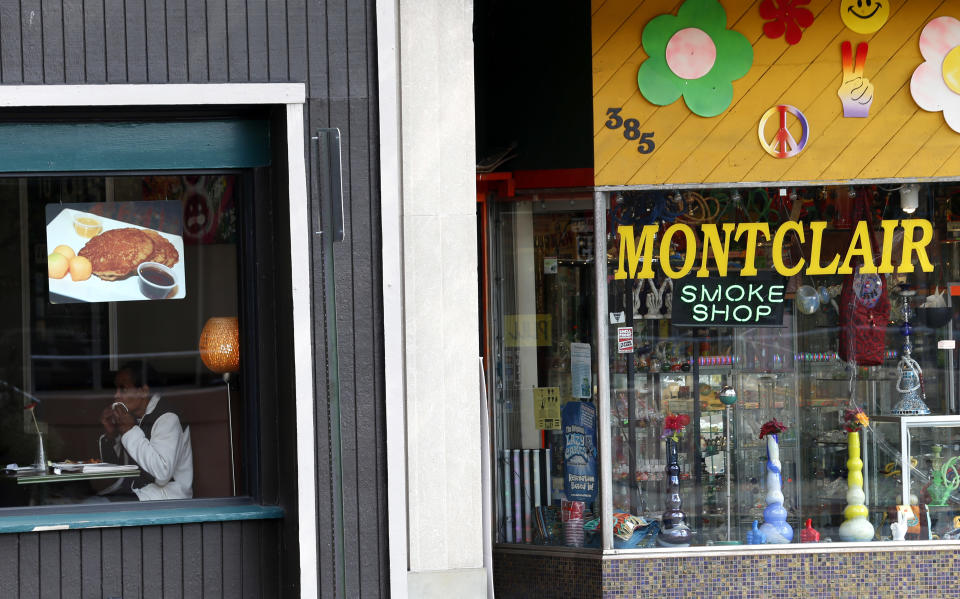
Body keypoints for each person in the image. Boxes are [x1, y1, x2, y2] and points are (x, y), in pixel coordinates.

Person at [98, 362, 193, 501]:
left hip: (167, 498)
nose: (116, 395)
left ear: (144, 391)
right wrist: (111, 436)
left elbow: (161, 474)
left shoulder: (167, 418)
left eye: (123, 389)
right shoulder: (132, 417)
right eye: (116, 389)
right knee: (89, 503)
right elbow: (118, 473)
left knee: (100, 508)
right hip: (135, 492)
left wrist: (129, 430)